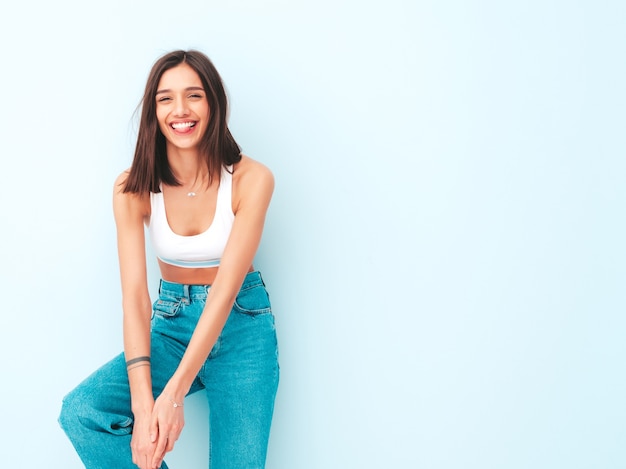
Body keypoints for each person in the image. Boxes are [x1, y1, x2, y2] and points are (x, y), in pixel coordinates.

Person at [58, 49, 279, 469]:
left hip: (241, 327)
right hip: (172, 324)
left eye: (194, 95)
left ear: (213, 103)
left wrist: (173, 394)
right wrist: (144, 406)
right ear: (153, 111)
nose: (180, 110)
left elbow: (225, 290)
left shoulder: (253, 179)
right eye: (165, 99)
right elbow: (136, 300)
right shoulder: (132, 188)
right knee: (84, 412)